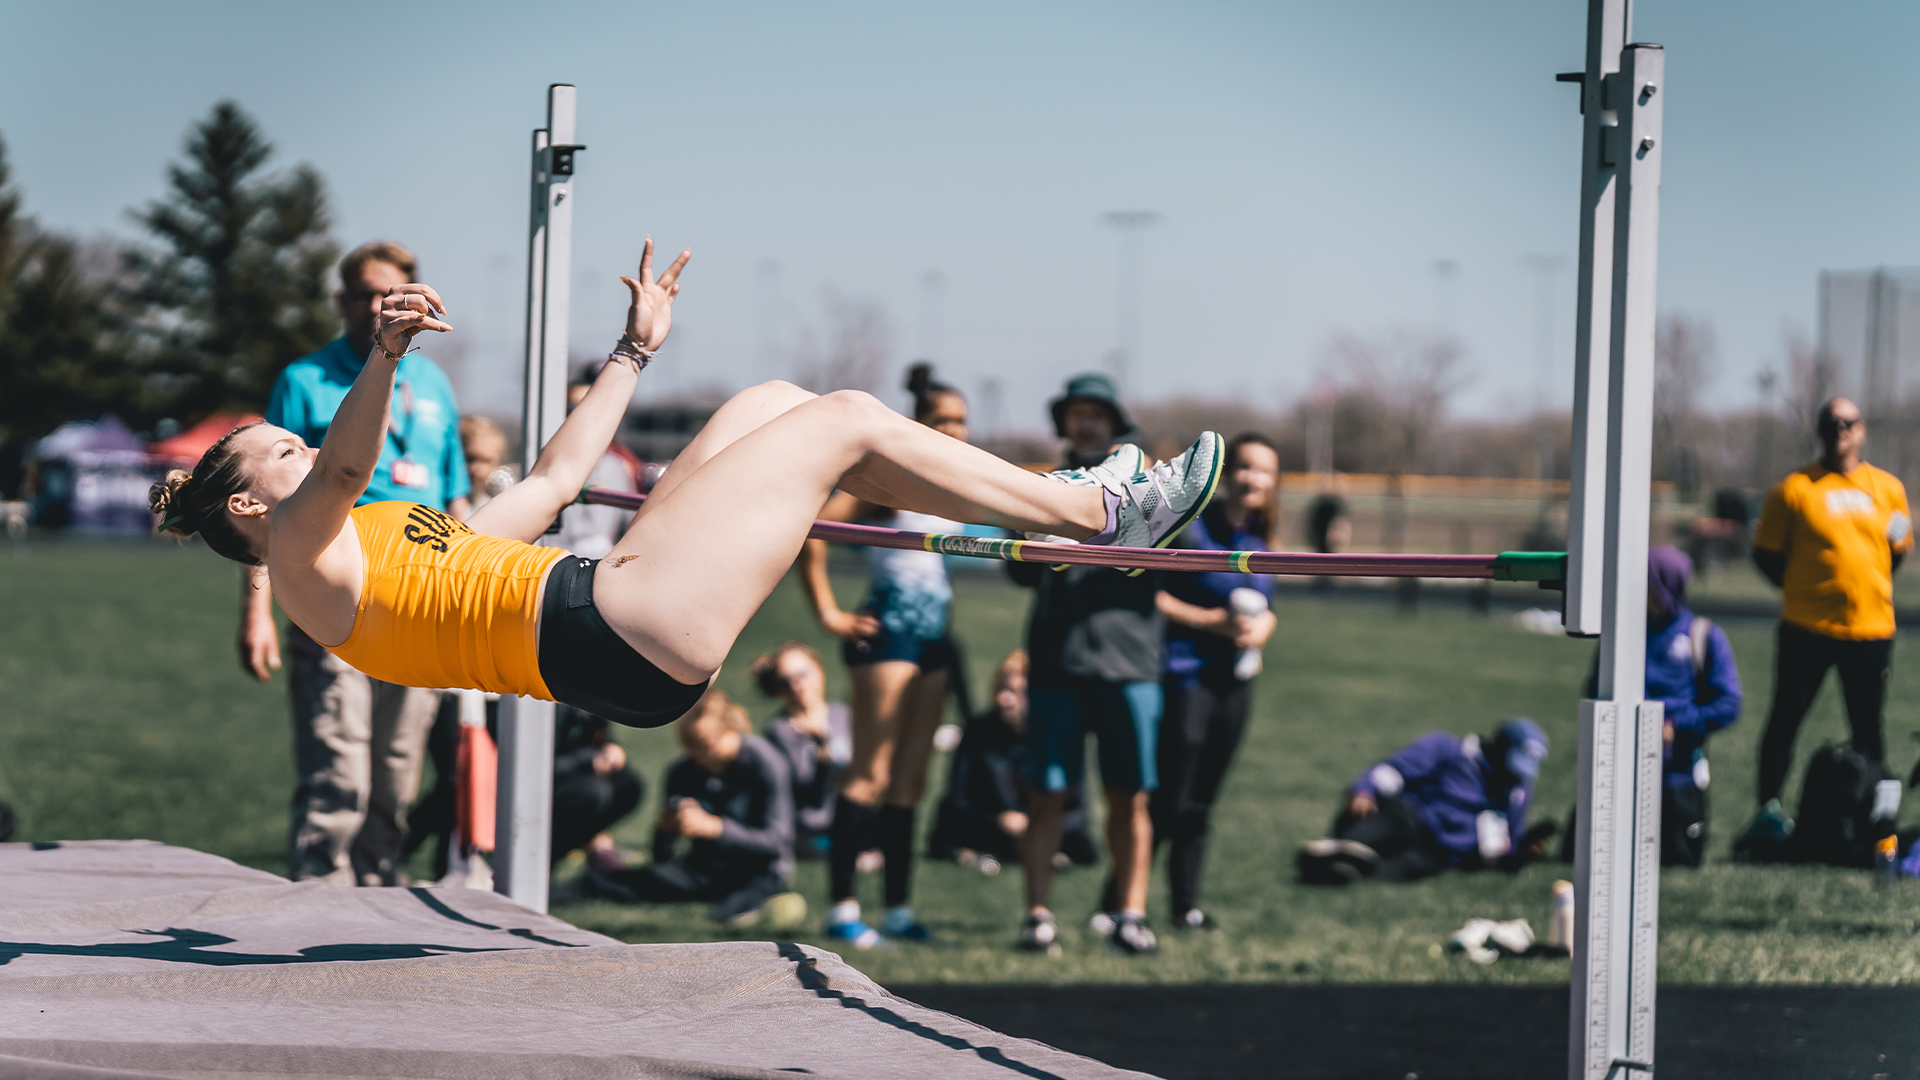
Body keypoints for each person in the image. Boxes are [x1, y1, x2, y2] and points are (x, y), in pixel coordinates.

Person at [149, 240, 1224, 758]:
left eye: (292, 438)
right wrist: (382, 354)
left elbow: (554, 483)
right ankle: (1092, 517)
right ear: (247, 508)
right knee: (844, 415)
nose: (301, 447)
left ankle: (1079, 517)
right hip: (608, 626)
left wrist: (630, 352)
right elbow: (338, 468)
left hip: (605, 612)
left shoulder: (388, 535)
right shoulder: (302, 553)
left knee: (773, 402)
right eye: (276, 449)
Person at [235, 240, 471, 886]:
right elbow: (260, 509)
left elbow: (455, 498)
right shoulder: (304, 380)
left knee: (395, 780)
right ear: (341, 301)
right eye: (364, 293)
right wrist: (257, 610)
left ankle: (374, 925)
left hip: (420, 599)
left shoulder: (435, 385)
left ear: (413, 297)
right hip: (331, 594)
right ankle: (315, 918)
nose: (376, 305)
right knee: (339, 778)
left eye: (389, 293)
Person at [1012, 372, 1185, 957]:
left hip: (1130, 661)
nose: (1086, 422)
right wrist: (1030, 521)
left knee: (1129, 795)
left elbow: (1173, 559)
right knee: (1047, 794)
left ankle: (1130, 915)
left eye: (1097, 413)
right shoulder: (1042, 486)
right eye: (1077, 412)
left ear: (1115, 423)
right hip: (1058, 660)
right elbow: (1017, 570)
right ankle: (1037, 917)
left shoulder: (1150, 487)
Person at [797, 362, 970, 948]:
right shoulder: (891, 486)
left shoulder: (956, 486)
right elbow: (812, 526)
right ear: (918, 425)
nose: (955, 431)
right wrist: (829, 612)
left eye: (962, 421)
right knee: (869, 772)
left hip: (933, 638)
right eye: (943, 420)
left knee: (910, 780)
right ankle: (843, 908)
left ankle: (898, 911)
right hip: (888, 634)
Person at [1738, 397, 1912, 854]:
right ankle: (1767, 814)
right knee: (1784, 722)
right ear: (1819, 430)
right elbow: (1765, 554)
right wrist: (1806, 589)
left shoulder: (1889, 489)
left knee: (1868, 729)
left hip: (1870, 629)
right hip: (1807, 627)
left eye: (1848, 422)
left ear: (1862, 430)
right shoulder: (1793, 490)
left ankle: (1873, 823)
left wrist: (1860, 585)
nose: (1839, 429)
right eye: (1830, 422)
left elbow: (1898, 549)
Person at [1149, 432, 1281, 930]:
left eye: (1265, 470)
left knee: (1203, 799)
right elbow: (1154, 597)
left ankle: (1186, 906)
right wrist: (1213, 624)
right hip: (1186, 675)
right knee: (1170, 796)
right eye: (1245, 466)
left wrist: (1266, 627)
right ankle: (1121, 905)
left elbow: (1268, 608)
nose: (1253, 478)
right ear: (1226, 474)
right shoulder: (1192, 530)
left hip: (1236, 682)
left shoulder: (1259, 539)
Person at [577, 690, 798, 923]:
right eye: (689, 745)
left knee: (728, 913)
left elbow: (778, 842)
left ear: (730, 729)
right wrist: (665, 829)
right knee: (614, 882)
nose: (697, 755)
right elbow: (662, 858)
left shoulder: (766, 763)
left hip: (758, 871)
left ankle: (756, 905)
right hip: (704, 868)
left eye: (704, 745)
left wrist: (716, 828)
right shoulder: (683, 769)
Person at [1297, 719, 1552, 884]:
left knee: (1397, 872)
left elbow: (1505, 847)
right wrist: (1364, 790)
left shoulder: (1519, 790)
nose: (1515, 776)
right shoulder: (1449, 749)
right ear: (1496, 748)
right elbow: (1393, 771)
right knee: (1399, 822)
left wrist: (1520, 855)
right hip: (1408, 819)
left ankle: (1334, 873)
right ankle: (1341, 848)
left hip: (1439, 853)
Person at [926, 649, 1099, 872]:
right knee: (948, 826)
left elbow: (1080, 813)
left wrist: (1038, 824)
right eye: (1001, 689)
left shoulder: (1058, 737)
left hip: (1043, 826)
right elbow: (957, 801)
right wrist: (999, 820)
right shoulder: (978, 732)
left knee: (1084, 846)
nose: (1003, 699)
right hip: (989, 826)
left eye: (1016, 692)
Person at [751, 641, 851, 860]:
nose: (798, 685)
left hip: (849, 815)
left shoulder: (843, 714)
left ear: (820, 670)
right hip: (811, 826)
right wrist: (823, 750)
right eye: (787, 681)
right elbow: (810, 796)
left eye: (803, 674)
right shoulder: (781, 731)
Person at [553, 365, 640, 559]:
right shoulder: (549, 461)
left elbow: (631, 526)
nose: (583, 416)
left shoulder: (619, 463)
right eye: (573, 408)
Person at [552, 704, 645, 871]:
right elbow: (538, 764)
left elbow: (600, 739)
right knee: (595, 792)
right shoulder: (557, 705)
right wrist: (589, 759)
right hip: (547, 781)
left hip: (576, 774)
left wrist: (612, 753)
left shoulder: (592, 701)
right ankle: (545, 856)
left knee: (629, 787)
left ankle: (590, 841)